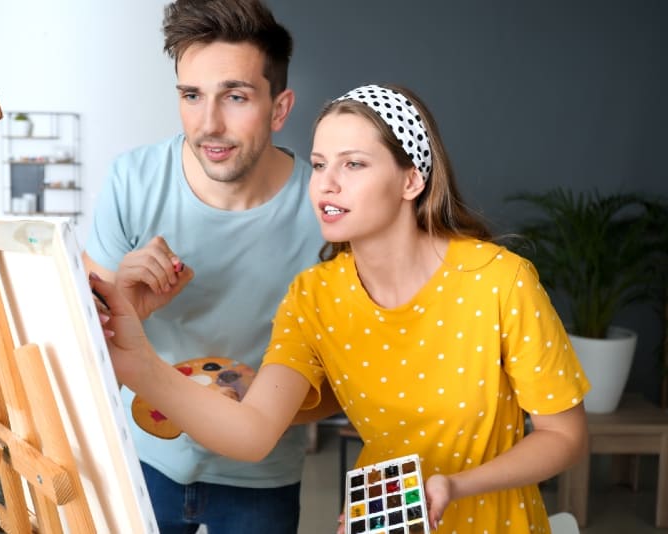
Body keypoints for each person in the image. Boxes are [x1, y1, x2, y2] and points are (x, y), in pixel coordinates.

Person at [91, 83, 591, 533]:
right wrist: (137, 361)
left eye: (353, 164)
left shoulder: (499, 280)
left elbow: (564, 436)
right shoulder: (314, 297)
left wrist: (455, 486)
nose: (326, 183)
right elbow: (252, 434)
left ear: (411, 181)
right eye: (321, 163)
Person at [82, 0, 323, 532]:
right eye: (192, 96)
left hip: (262, 476)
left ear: (280, 109)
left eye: (235, 97)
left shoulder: (325, 209)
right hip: (142, 458)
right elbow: (78, 348)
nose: (209, 124)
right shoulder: (131, 180)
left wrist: (267, 403)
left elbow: (344, 382)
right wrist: (121, 301)